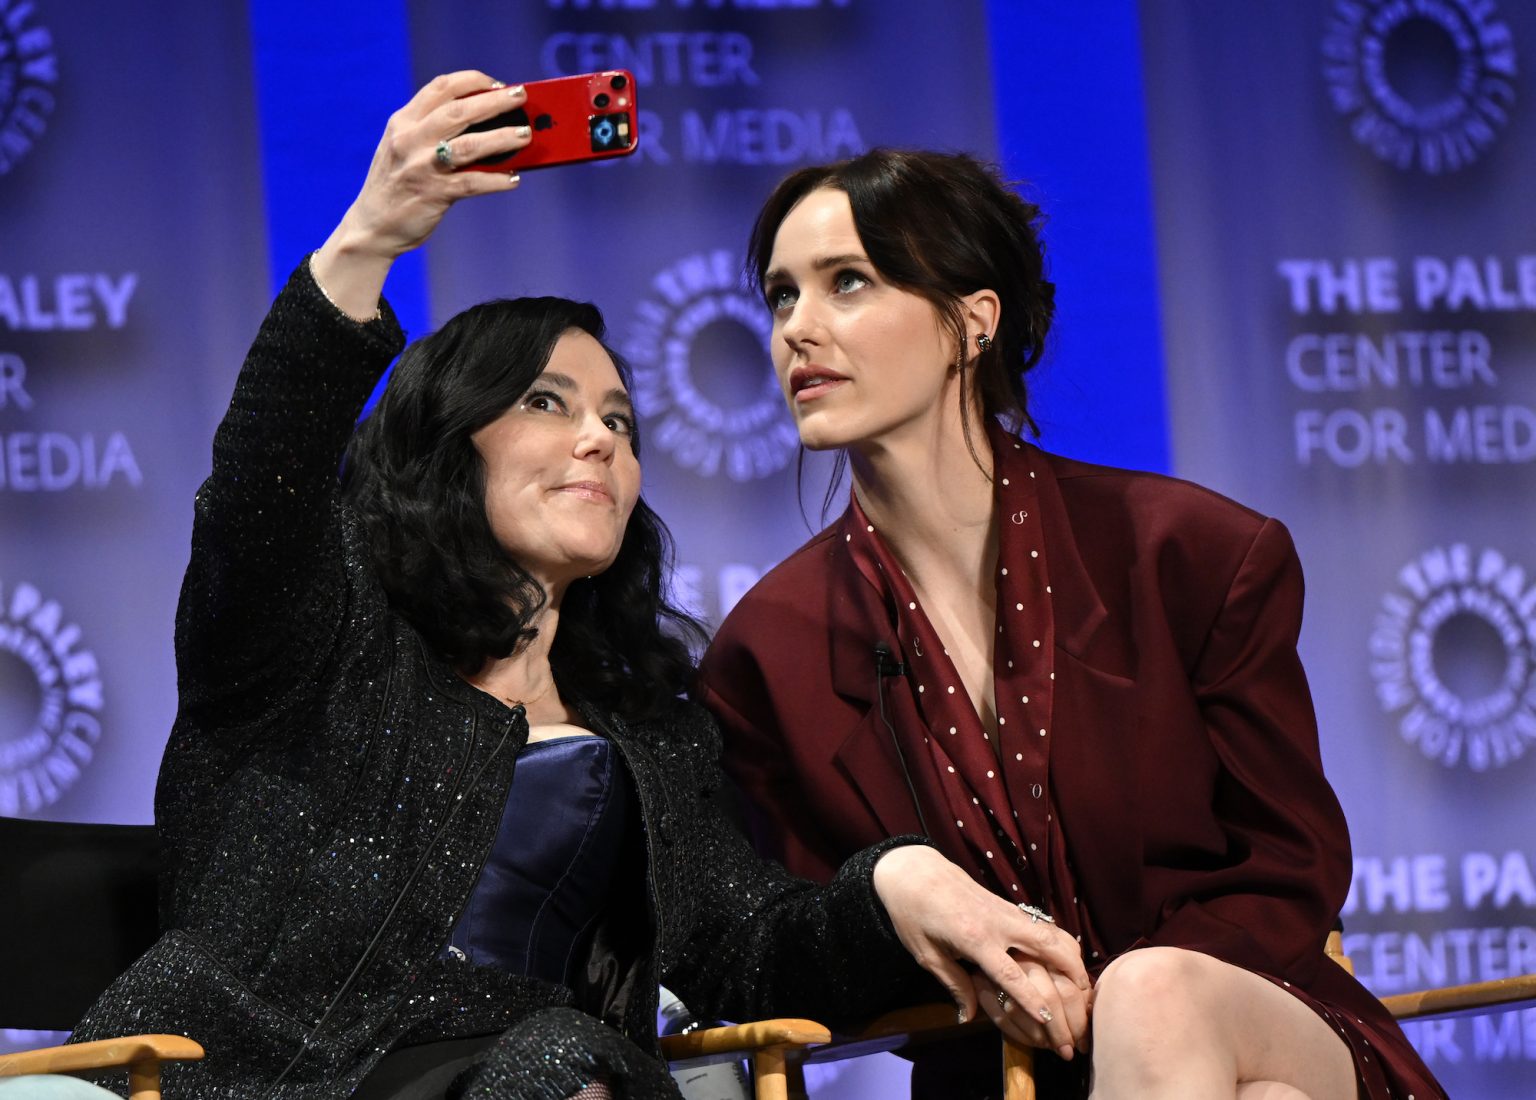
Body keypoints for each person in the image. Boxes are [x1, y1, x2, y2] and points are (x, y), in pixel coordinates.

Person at [66, 79, 1087, 1099]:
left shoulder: (651, 731)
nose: (600, 435)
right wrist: (369, 237)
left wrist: (897, 883)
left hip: (530, 1076)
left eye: (622, 419)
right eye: (547, 402)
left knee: (568, 1059)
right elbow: (259, 489)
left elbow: (740, 946)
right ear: (443, 445)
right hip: (255, 1080)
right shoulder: (312, 643)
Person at [695, 149, 1446, 1099]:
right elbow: (786, 950)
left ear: (974, 321)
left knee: (1159, 995)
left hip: (1255, 1010)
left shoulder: (1192, 555)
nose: (799, 328)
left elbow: (1289, 864)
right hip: (1008, 1079)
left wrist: (1115, 1000)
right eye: (780, 297)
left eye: (848, 283)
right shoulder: (768, 653)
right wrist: (924, 925)